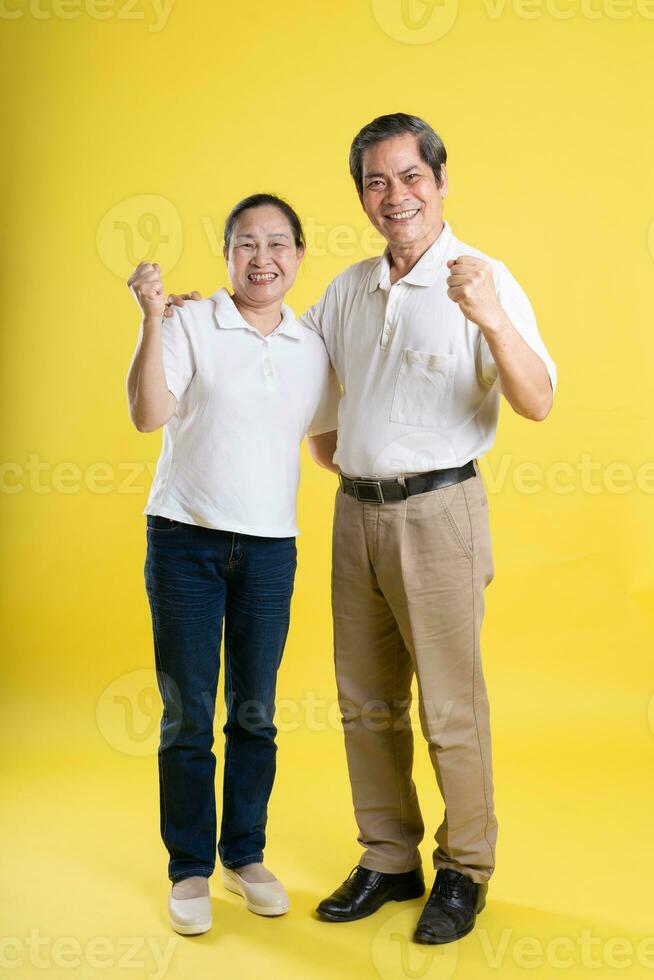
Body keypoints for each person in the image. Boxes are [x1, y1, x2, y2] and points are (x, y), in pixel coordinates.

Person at [166, 112, 558, 947]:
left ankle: (466, 869)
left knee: (450, 705)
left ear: (441, 182)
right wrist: (196, 318)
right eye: (376, 182)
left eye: (410, 176)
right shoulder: (347, 287)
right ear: (362, 196)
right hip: (358, 517)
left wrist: (490, 315)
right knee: (365, 704)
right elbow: (290, 371)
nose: (395, 195)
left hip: (441, 511)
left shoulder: (481, 277)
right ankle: (389, 856)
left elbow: (537, 398)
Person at [125, 193, 340, 936]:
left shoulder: (311, 346)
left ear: (300, 256)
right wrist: (153, 316)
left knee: (255, 713)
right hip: (185, 540)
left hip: (271, 548)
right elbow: (149, 413)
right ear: (226, 256)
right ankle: (188, 866)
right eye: (246, 243)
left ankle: (243, 854)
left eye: (278, 243)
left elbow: (325, 442)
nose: (263, 258)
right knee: (189, 714)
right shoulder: (190, 321)